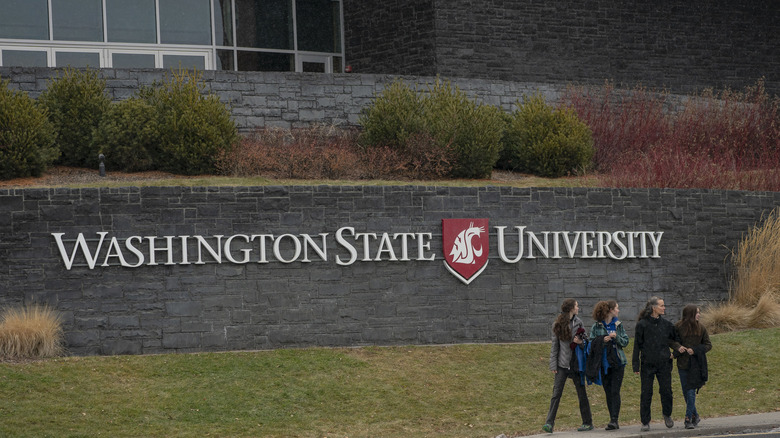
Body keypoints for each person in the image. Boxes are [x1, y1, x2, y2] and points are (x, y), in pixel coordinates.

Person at [632, 296, 684, 431]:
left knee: (666, 391)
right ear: (654, 308)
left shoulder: (667, 325)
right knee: (646, 393)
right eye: (661, 305)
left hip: (664, 364)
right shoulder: (642, 325)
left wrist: (675, 354)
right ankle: (645, 421)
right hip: (647, 364)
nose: (664, 308)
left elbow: (676, 340)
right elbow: (637, 346)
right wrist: (635, 365)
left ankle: (667, 414)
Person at [542, 299, 593, 433]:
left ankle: (587, 422)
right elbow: (555, 347)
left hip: (576, 365)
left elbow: (586, 341)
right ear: (571, 308)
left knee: (581, 393)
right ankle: (549, 423)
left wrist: (580, 342)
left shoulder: (579, 322)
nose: (578, 308)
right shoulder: (557, 324)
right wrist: (553, 365)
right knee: (556, 394)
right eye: (576, 306)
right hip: (562, 365)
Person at [588, 300, 629, 431]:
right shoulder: (596, 326)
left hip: (617, 362)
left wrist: (616, 337)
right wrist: (602, 340)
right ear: (610, 310)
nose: (618, 310)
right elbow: (590, 344)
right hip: (603, 363)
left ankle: (614, 420)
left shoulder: (618, 325)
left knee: (615, 391)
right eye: (617, 308)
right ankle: (612, 417)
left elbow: (625, 341)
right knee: (608, 391)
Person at [674, 304, 712, 429]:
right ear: (690, 314)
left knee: (691, 391)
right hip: (682, 363)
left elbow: (708, 345)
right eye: (697, 313)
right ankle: (695, 415)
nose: (699, 315)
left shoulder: (701, 328)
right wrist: (678, 347)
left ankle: (688, 418)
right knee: (686, 391)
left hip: (696, 364)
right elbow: (671, 340)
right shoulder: (678, 327)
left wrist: (695, 350)